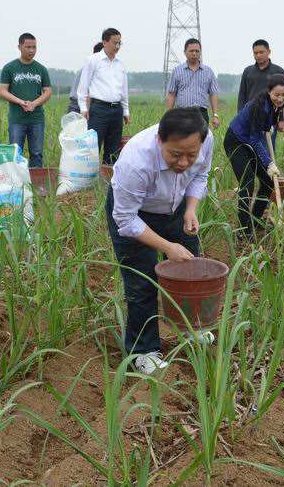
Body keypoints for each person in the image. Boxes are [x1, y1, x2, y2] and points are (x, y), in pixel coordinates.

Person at [107, 108, 213, 375]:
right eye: (175, 155)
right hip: (136, 213)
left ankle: (191, 330)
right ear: (159, 141)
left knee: (190, 272)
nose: (183, 162)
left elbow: (200, 175)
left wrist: (190, 209)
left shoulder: (205, 140)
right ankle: (143, 351)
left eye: (191, 155)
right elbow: (126, 220)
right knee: (142, 280)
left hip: (176, 207)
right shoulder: (136, 161)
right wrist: (166, 247)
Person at [225, 74, 284, 238]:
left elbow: (263, 132)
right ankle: (243, 230)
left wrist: (269, 127)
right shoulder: (259, 106)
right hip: (236, 142)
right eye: (277, 95)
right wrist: (268, 163)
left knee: (268, 182)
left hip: (251, 141)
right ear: (269, 91)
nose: (280, 99)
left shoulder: (275, 105)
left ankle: (254, 221)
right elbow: (254, 139)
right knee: (247, 184)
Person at [0, 33, 52, 168]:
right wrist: (20, 101)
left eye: (34, 47)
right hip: (17, 119)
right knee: (16, 152)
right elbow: (2, 90)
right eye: (28, 47)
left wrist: (34, 103)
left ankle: (36, 184)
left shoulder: (41, 69)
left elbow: (48, 91)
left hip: (36, 119)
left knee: (37, 153)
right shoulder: (10, 68)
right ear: (19, 46)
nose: (31, 50)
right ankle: (17, 184)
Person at [77, 28, 130, 164]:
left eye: (119, 43)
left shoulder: (121, 64)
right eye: (114, 43)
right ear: (105, 42)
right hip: (98, 109)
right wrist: (83, 108)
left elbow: (123, 90)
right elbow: (83, 87)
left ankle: (109, 180)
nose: (117, 47)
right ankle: (90, 180)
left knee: (113, 149)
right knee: (93, 147)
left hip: (116, 109)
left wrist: (126, 111)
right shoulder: (93, 60)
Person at [165, 38, 220, 129]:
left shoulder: (208, 71)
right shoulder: (177, 71)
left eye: (197, 51)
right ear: (185, 52)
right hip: (182, 114)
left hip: (201, 114)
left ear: (200, 52)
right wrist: (168, 116)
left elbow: (213, 94)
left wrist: (215, 115)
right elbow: (171, 94)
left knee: (200, 142)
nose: (194, 53)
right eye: (191, 51)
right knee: (182, 141)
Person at [237, 39, 284, 111]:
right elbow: (242, 95)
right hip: (250, 113)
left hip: (271, 113)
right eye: (255, 53)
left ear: (269, 52)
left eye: (261, 52)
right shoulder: (248, 71)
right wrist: (240, 114)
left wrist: (281, 118)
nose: (258, 55)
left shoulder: (278, 71)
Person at [67, 42, 103, 114]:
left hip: (75, 105)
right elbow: (88, 93)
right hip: (81, 106)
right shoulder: (93, 70)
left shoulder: (85, 67)